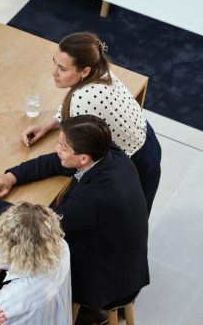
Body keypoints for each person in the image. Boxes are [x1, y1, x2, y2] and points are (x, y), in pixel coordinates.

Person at [0, 115, 149, 325]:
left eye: (63, 146)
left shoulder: (89, 201)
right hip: (120, 256)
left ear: (83, 158)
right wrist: (11, 177)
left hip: (104, 279)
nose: (57, 149)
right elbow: (58, 162)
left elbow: (33, 225)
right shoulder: (109, 153)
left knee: (21, 263)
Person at [21, 31, 161, 212]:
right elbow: (71, 106)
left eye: (62, 69)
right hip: (146, 139)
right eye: (55, 63)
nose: (54, 73)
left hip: (136, 162)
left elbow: (76, 156)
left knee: (127, 220)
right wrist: (49, 124)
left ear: (85, 71)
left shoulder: (85, 98)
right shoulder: (100, 68)